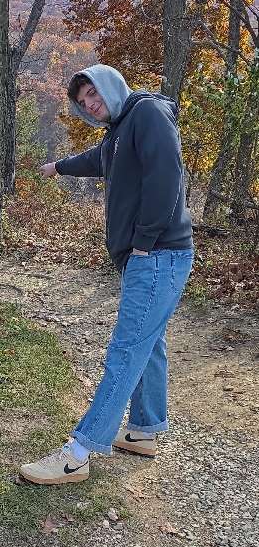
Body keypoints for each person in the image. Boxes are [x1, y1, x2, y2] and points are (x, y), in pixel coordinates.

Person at [20, 64, 193, 486]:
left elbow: (167, 175)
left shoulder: (147, 113)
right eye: (84, 104)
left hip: (157, 256)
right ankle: (144, 430)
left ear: (110, 84)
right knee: (148, 344)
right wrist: (59, 167)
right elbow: (100, 159)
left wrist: (145, 240)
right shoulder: (119, 129)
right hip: (153, 258)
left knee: (126, 350)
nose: (92, 106)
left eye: (93, 95)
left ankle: (78, 452)